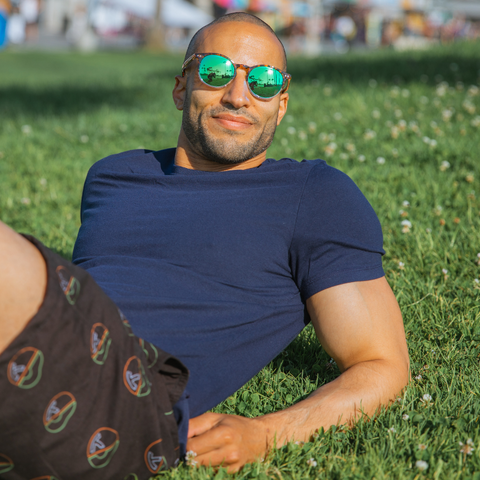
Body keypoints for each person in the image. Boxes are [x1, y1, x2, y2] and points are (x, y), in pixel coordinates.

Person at [0, 12, 409, 478]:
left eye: (264, 82)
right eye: (215, 73)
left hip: (129, 397)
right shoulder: (112, 176)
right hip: (47, 357)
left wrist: (266, 432)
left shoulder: (314, 194)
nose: (238, 96)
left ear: (281, 103)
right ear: (181, 87)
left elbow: (382, 364)